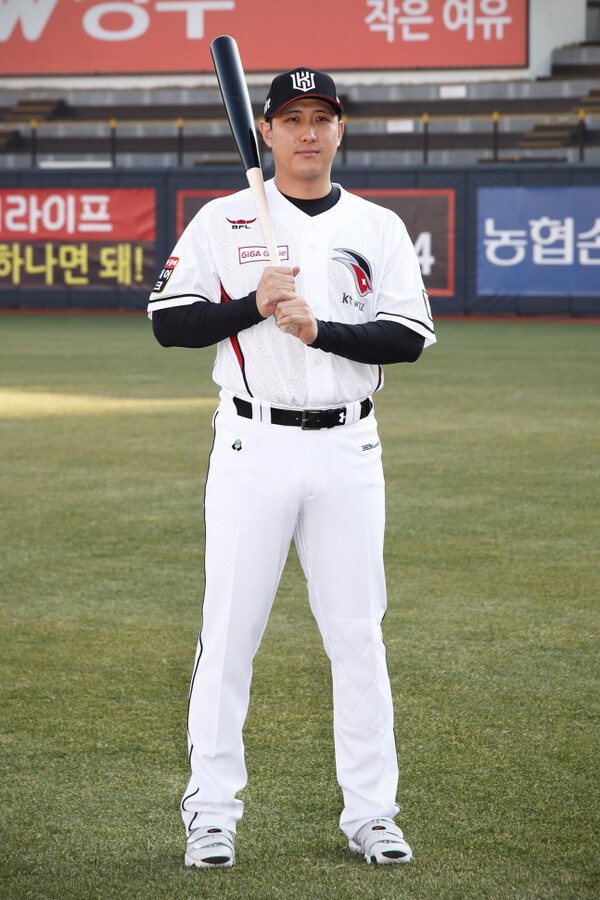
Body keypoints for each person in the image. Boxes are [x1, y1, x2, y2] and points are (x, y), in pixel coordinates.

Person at [148, 66, 436, 869]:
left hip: (349, 447)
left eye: (322, 118)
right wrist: (252, 304)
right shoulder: (223, 219)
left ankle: (372, 814)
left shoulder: (377, 225)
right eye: (292, 118)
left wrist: (320, 331)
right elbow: (169, 323)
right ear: (266, 131)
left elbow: (408, 337)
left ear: (341, 129)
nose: (308, 132)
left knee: (358, 636)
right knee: (229, 634)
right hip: (254, 444)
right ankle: (212, 815)